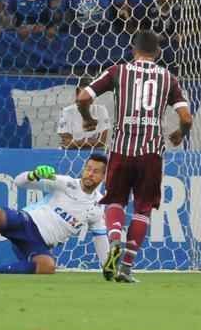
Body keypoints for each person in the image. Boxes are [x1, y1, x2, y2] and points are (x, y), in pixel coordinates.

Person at [75, 30, 192, 283]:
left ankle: (114, 240)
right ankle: (126, 267)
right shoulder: (168, 78)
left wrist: (88, 118)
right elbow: (186, 118)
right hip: (150, 153)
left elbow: (83, 97)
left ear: (132, 49)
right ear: (158, 52)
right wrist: (180, 134)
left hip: (121, 148)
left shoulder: (118, 71)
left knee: (115, 200)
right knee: (143, 208)